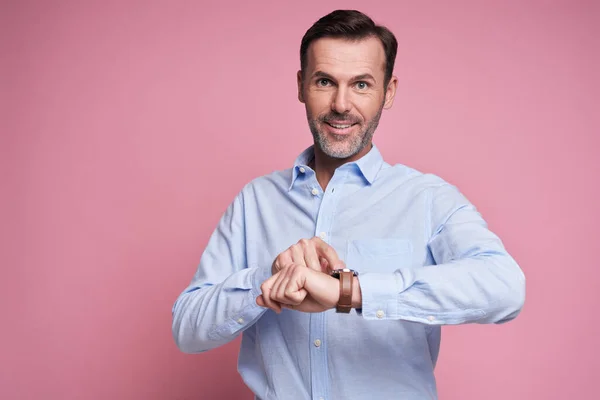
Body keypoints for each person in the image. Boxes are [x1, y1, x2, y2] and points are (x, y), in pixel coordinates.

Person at [171, 9, 526, 400]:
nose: (341, 104)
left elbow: (505, 288)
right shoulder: (255, 201)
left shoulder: (428, 199)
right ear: (302, 85)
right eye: (325, 81)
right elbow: (187, 331)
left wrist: (349, 291)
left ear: (387, 92)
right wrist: (269, 278)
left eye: (361, 84)